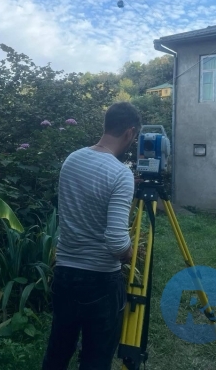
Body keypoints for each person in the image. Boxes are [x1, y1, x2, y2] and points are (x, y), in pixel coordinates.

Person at [41, 102, 142, 370]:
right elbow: (116, 242)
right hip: (100, 280)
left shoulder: (72, 159)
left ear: (106, 125)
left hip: (65, 273)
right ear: (130, 132)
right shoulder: (120, 173)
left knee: (57, 352)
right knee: (95, 361)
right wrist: (130, 253)